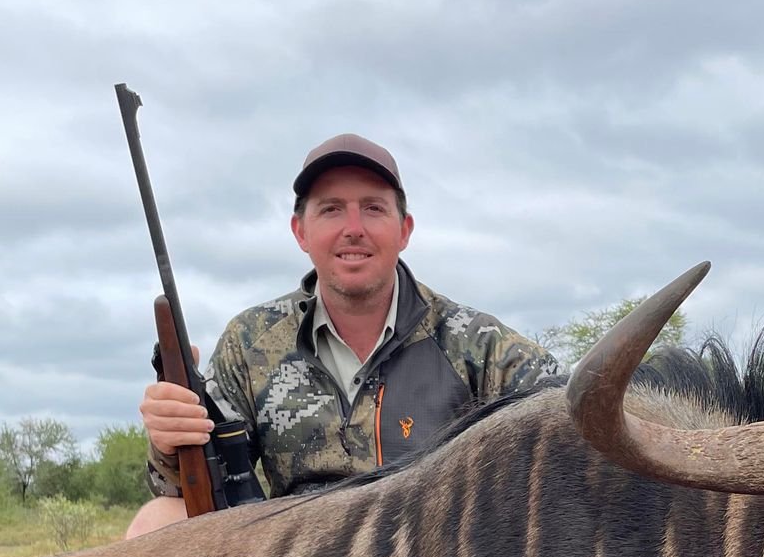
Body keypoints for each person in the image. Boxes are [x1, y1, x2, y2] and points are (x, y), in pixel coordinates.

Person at [130, 133, 562, 536]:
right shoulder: (251, 341)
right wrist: (171, 440)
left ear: (404, 230)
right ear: (301, 231)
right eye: (331, 209)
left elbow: (574, 415)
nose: (353, 227)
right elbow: (192, 491)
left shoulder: (477, 342)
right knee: (157, 520)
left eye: (373, 208)